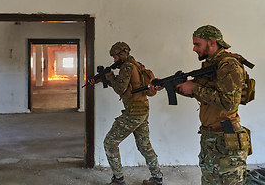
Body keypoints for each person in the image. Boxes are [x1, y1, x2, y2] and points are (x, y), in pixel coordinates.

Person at [175, 25, 251, 184]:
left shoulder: (229, 65)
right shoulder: (212, 65)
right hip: (210, 138)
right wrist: (175, 86)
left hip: (225, 138)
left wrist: (194, 87)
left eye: (197, 44)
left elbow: (229, 103)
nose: (194, 48)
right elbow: (202, 93)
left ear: (211, 42)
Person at [91, 42, 163, 185]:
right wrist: (104, 78)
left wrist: (110, 76)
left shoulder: (127, 67)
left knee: (110, 143)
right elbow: (128, 86)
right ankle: (157, 178)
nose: (114, 60)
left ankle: (118, 179)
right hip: (142, 109)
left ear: (123, 54)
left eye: (116, 57)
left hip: (133, 112)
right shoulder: (137, 65)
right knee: (144, 145)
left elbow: (119, 89)